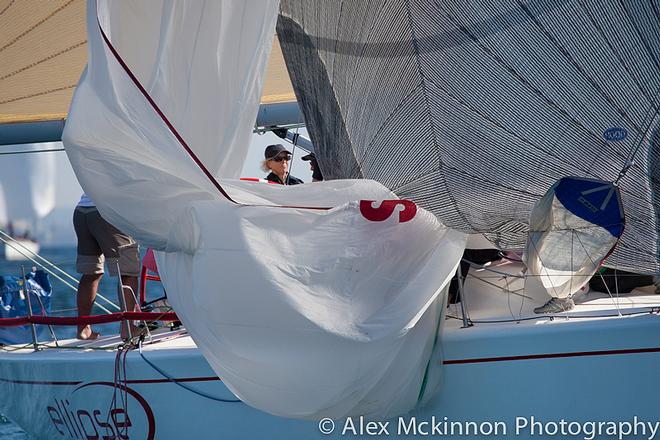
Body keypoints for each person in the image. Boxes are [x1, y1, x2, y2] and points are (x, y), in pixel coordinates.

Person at [73, 194, 140, 340]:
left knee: (91, 273)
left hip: (81, 211)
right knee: (128, 273)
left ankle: (83, 329)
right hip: (106, 211)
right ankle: (128, 328)